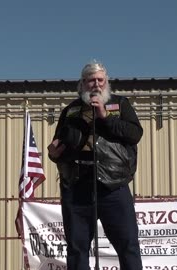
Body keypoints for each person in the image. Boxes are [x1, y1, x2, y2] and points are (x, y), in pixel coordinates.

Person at [47, 61, 143, 269]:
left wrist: (105, 117)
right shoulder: (71, 111)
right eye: (91, 80)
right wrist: (54, 154)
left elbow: (135, 134)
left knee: (127, 244)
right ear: (82, 84)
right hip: (78, 183)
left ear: (106, 82)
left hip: (113, 184)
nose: (96, 85)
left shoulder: (120, 104)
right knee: (77, 247)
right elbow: (59, 143)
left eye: (100, 80)